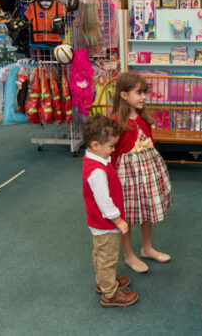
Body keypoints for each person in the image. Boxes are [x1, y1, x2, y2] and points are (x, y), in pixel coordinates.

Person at [111, 72, 173, 273]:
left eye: (144, 92)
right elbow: (112, 153)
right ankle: (129, 255)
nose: (143, 97)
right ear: (124, 95)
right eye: (138, 93)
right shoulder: (115, 122)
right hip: (126, 176)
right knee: (125, 215)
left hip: (147, 172)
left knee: (146, 209)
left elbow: (151, 145)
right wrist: (111, 181)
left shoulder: (143, 119)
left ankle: (147, 248)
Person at [82, 114, 139, 308]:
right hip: (106, 224)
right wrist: (118, 221)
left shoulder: (95, 161)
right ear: (95, 145)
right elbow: (104, 203)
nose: (113, 150)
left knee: (100, 254)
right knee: (107, 257)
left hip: (99, 223)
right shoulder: (97, 171)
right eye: (110, 147)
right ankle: (110, 294)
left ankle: (104, 281)